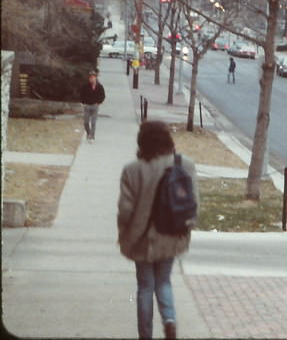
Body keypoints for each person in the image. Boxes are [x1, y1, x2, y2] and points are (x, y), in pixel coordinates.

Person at [118, 121, 198, 340]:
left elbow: (125, 210)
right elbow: (193, 205)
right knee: (164, 281)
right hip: (170, 236)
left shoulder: (132, 170)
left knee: (145, 287)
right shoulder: (185, 165)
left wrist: (124, 235)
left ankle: (145, 335)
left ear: (141, 141)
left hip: (141, 238)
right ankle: (169, 321)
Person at [79, 70, 106, 142]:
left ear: (96, 78)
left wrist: (99, 102)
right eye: (90, 77)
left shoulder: (99, 87)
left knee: (93, 122)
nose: (92, 79)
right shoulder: (85, 86)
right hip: (87, 106)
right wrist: (83, 103)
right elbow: (81, 95)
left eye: (93, 77)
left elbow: (103, 96)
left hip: (95, 106)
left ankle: (92, 137)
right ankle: (89, 133)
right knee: (86, 122)